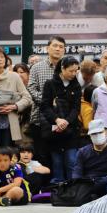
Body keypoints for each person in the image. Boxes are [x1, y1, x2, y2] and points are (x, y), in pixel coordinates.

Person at [40, 56, 82, 183]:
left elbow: (76, 108)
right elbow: (45, 106)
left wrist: (67, 121)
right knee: (57, 162)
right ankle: (58, 191)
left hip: (71, 129)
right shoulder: (50, 84)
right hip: (54, 129)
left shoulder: (76, 86)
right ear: (62, 68)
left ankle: (73, 188)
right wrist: (57, 120)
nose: (73, 74)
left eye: (76, 71)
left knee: (71, 160)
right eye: (71, 71)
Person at [27, 36, 65, 165]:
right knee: (40, 154)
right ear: (48, 48)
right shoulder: (36, 67)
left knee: (58, 154)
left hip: (61, 119)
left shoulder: (68, 68)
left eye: (61, 47)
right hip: (39, 118)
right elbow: (31, 89)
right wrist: (47, 103)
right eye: (55, 46)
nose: (58, 49)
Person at [72, 119, 107, 197]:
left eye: (100, 132)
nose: (97, 135)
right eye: (94, 133)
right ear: (89, 135)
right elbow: (77, 172)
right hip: (90, 184)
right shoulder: (82, 152)